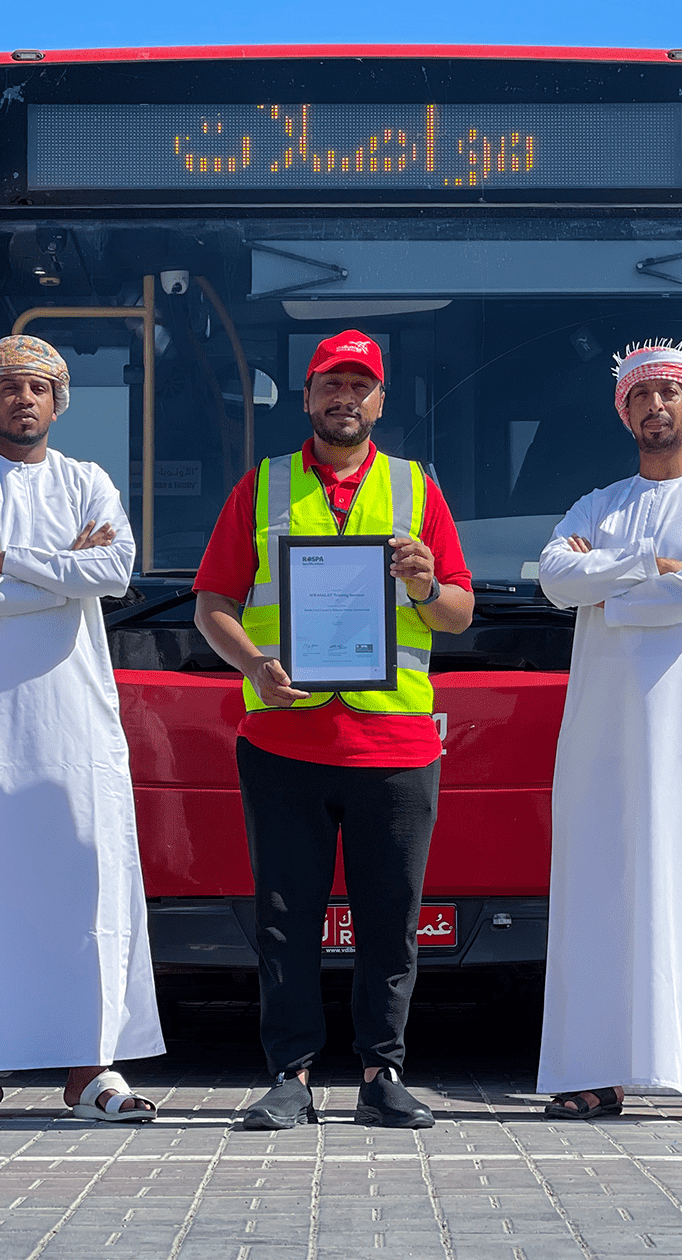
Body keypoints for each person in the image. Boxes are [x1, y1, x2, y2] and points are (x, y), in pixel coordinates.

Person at [193, 329, 475, 1130]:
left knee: (392, 921)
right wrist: (254, 665)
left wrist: (426, 584)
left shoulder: (417, 489)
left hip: (397, 743)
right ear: (307, 396)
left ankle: (383, 1074)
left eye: (360, 386)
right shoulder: (261, 486)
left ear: (380, 401)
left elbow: (459, 611)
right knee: (286, 920)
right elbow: (212, 604)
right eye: (330, 384)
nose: (344, 398)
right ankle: (291, 1076)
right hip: (285, 740)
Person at [0, 334, 165, 1124]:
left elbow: (113, 570)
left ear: (58, 403)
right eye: (9, 386)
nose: (24, 398)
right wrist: (59, 575)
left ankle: (91, 1070)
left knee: (83, 880)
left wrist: (4, 557)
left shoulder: (87, 481)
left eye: (39, 388)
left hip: (72, 722)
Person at [534, 338, 682, 1123]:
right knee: (597, 891)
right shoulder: (597, 503)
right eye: (640, 395)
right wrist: (648, 565)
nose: (655, 405)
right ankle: (593, 1070)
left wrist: (608, 581)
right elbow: (554, 577)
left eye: (670, 392)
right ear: (625, 413)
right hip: (603, 736)